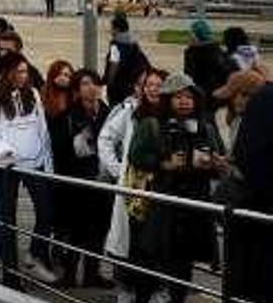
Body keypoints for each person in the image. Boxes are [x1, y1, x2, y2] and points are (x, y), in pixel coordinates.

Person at [126, 73, 226, 303]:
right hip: (163, 202)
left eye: (189, 96)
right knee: (150, 260)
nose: (184, 101)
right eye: (178, 97)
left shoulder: (206, 127)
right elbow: (136, 156)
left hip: (193, 204)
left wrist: (214, 164)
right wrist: (163, 163)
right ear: (167, 99)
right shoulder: (152, 124)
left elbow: (217, 157)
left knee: (183, 264)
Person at [0, 52, 59, 287]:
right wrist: (3, 148)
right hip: (6, 166)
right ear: (8, 73)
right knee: (7, 220)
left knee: (46, 211)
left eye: (26, 71)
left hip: (34, 163)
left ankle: (34, 254)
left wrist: (47, 162)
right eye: (19, 71)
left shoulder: (32, 94)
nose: (24, 76)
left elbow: (42, 129)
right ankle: (10, 273)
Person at [100, 68, 163, 303]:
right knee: (130, 243)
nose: (154, 89)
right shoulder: (130, 113)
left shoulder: (168, 115)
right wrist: (118, 170)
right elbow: (106, 138)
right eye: (150, 85)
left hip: (158, 189)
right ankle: (126, 288)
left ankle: (155, 288)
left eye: (159, 85)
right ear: (142, 88)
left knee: (153, 242)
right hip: (132, 190)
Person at [53, 69, 114, 288]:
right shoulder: (67, 116)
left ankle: (92, 273)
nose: (92, 88)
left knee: (99, 230)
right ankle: (69, 274)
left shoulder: (110, 113)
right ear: (77, 90)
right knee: (76, 231)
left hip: (102, 182)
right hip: (76, 184)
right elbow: (59, 152)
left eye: (95, 83)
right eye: (86, 84)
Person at [225, 84, 273, 301]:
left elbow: (244, 155)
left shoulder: (263, 98)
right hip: (258, 211)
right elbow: (247, 156)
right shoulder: (265, 99)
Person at [184, 19, 234, 103]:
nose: (189, 36)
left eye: (191, 33)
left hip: (200, 93)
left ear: (196, 35)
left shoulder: (192, 52)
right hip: (217, 93)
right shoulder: (218, 50)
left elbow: (189, 74)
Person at [104, 13, 148, 106]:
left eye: (112, 28)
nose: (111, 31)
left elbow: (113, 65)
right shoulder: (134, 44)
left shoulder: (116, 45)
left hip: (119, 87)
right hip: (131, 86)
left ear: (117, 29)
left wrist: (109, 83)